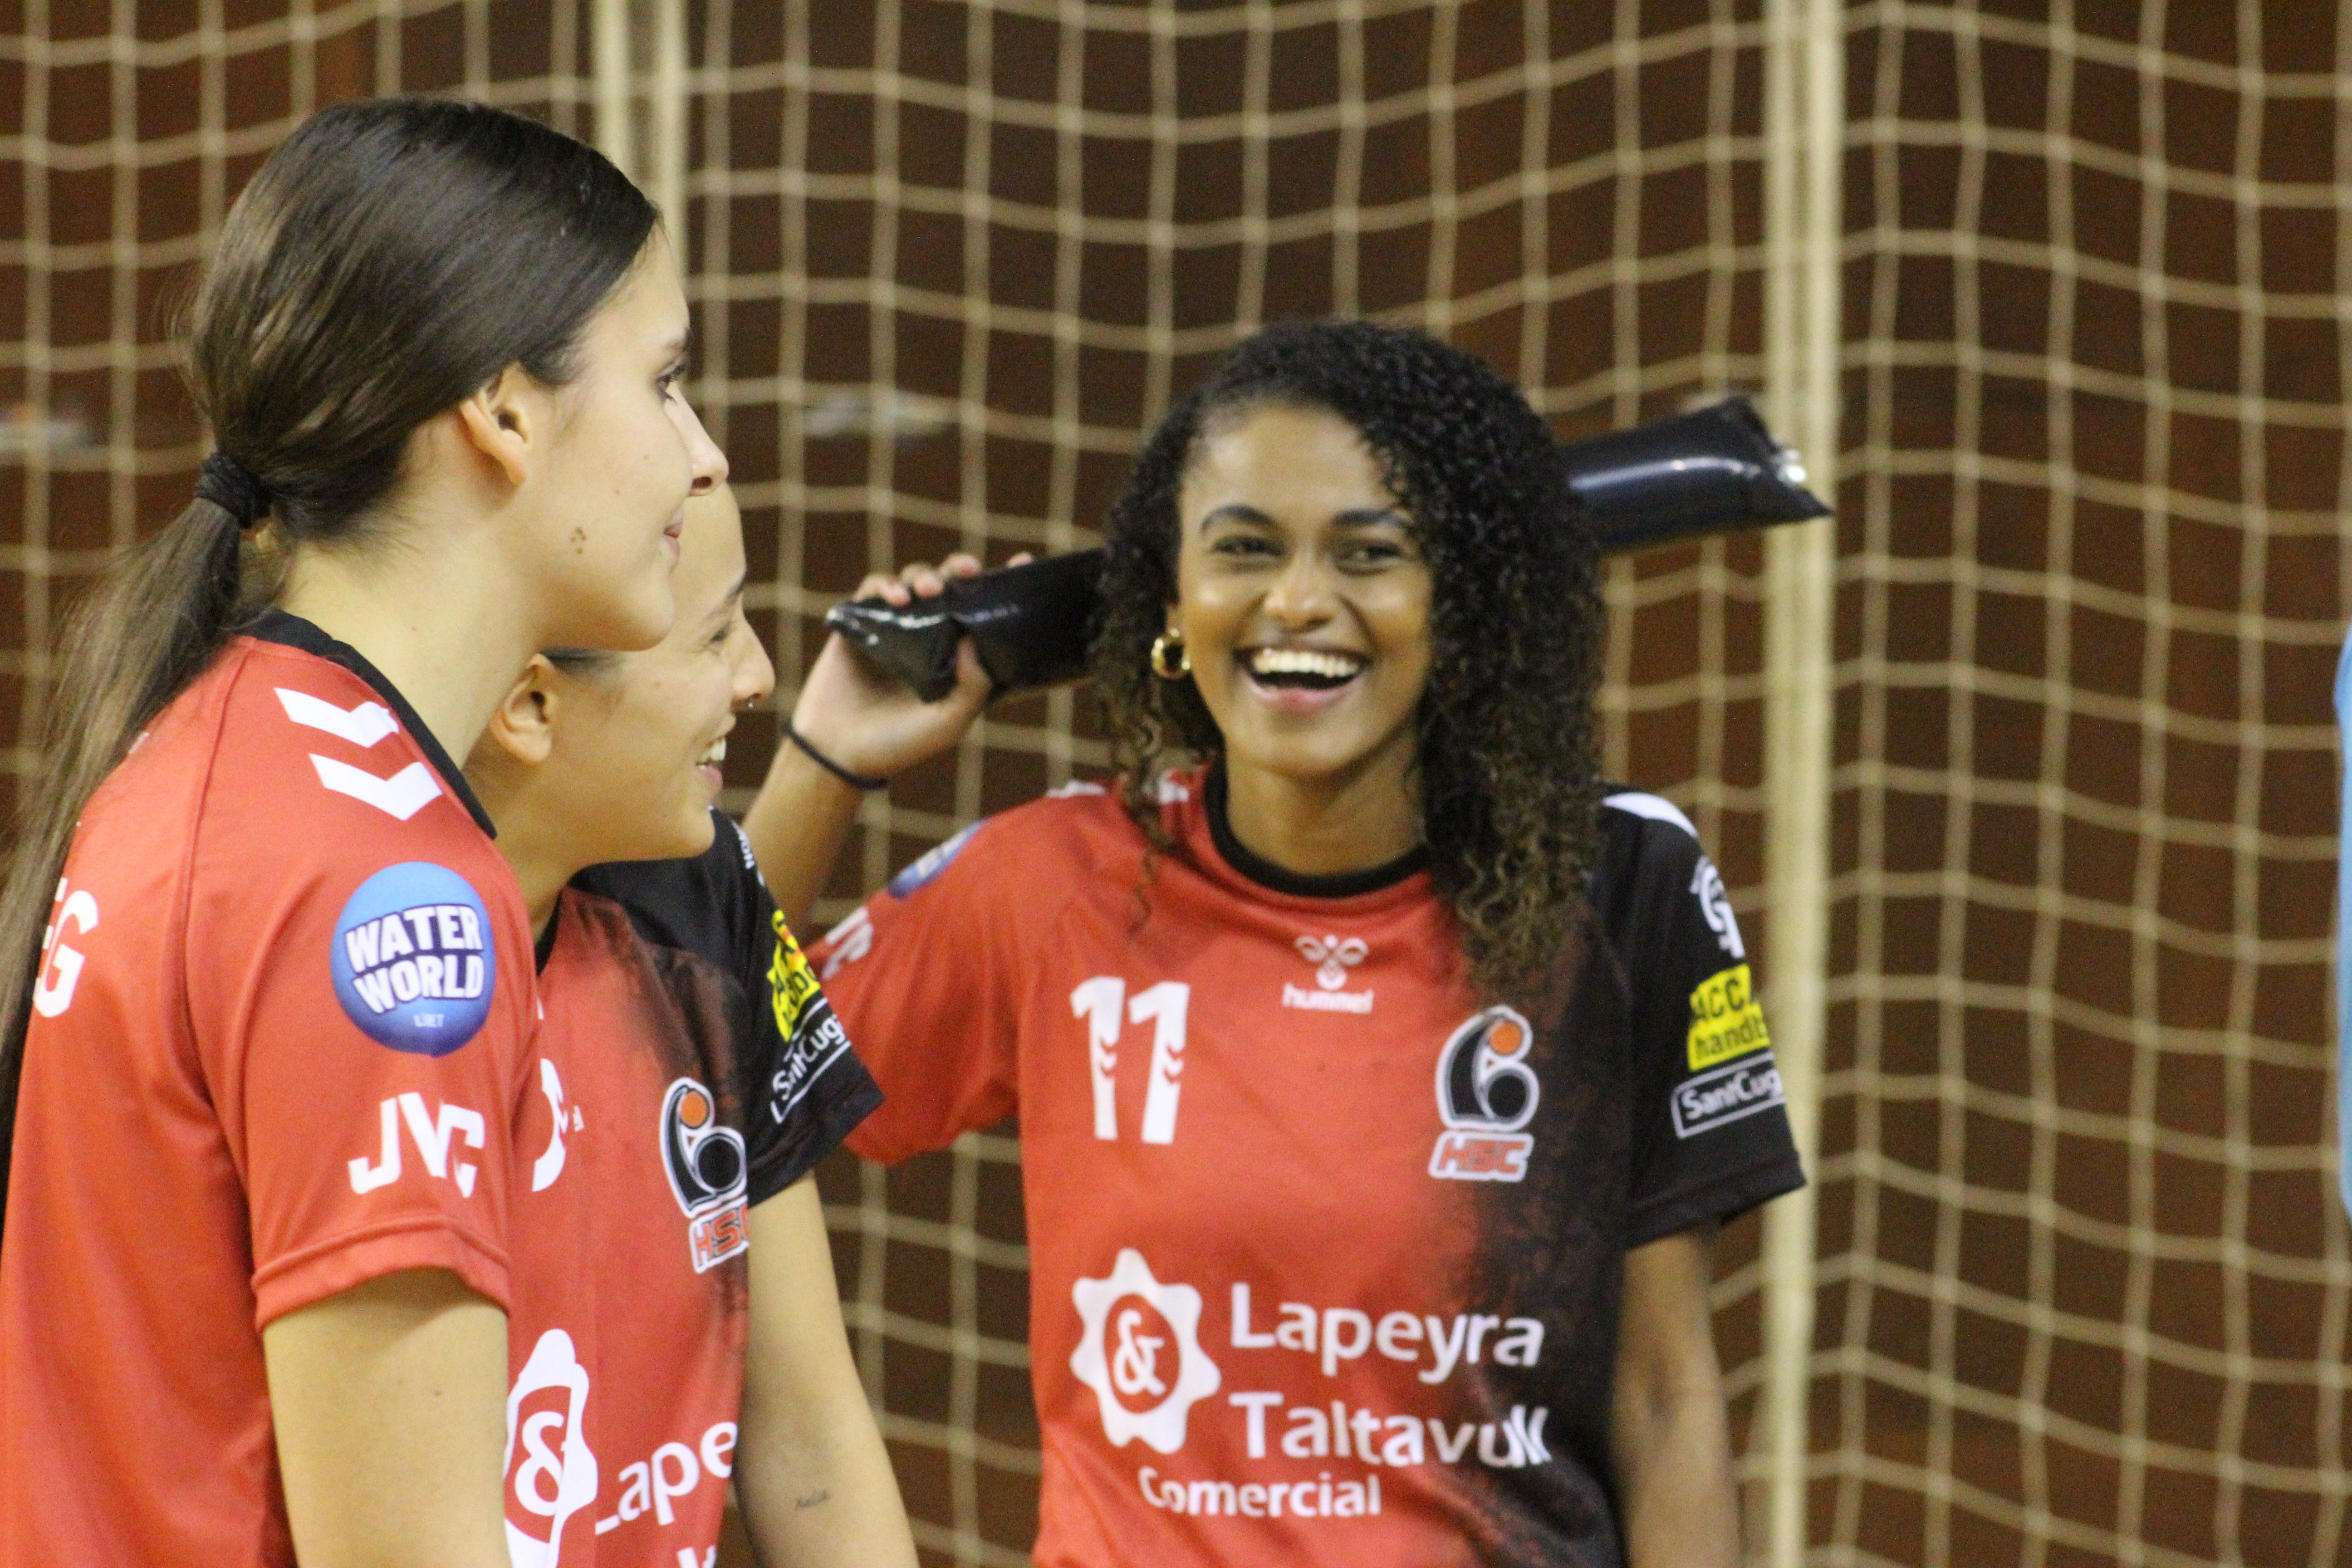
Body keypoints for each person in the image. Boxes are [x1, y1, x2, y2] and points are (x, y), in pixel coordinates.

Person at [745, 320, 1804, 1566]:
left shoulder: (1622, 883)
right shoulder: (1047, 883)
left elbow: (1665, 1397)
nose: (1298, 603)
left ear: (1459, 605)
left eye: (1370, 555)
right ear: (1168, 598)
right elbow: (701, 1062)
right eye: (1243, 549)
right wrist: (822, 762)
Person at [0, 98, 724, 1567]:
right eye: (665, 384)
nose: (696, 457)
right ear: (505, 413)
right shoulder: (389, 890)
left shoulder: (227, 741)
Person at [463, 485, 916, 1567]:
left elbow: (808, 1433)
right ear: (530, 703)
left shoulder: (702, 890)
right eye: (716, 633)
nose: (759, 676)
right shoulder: (363, 966)